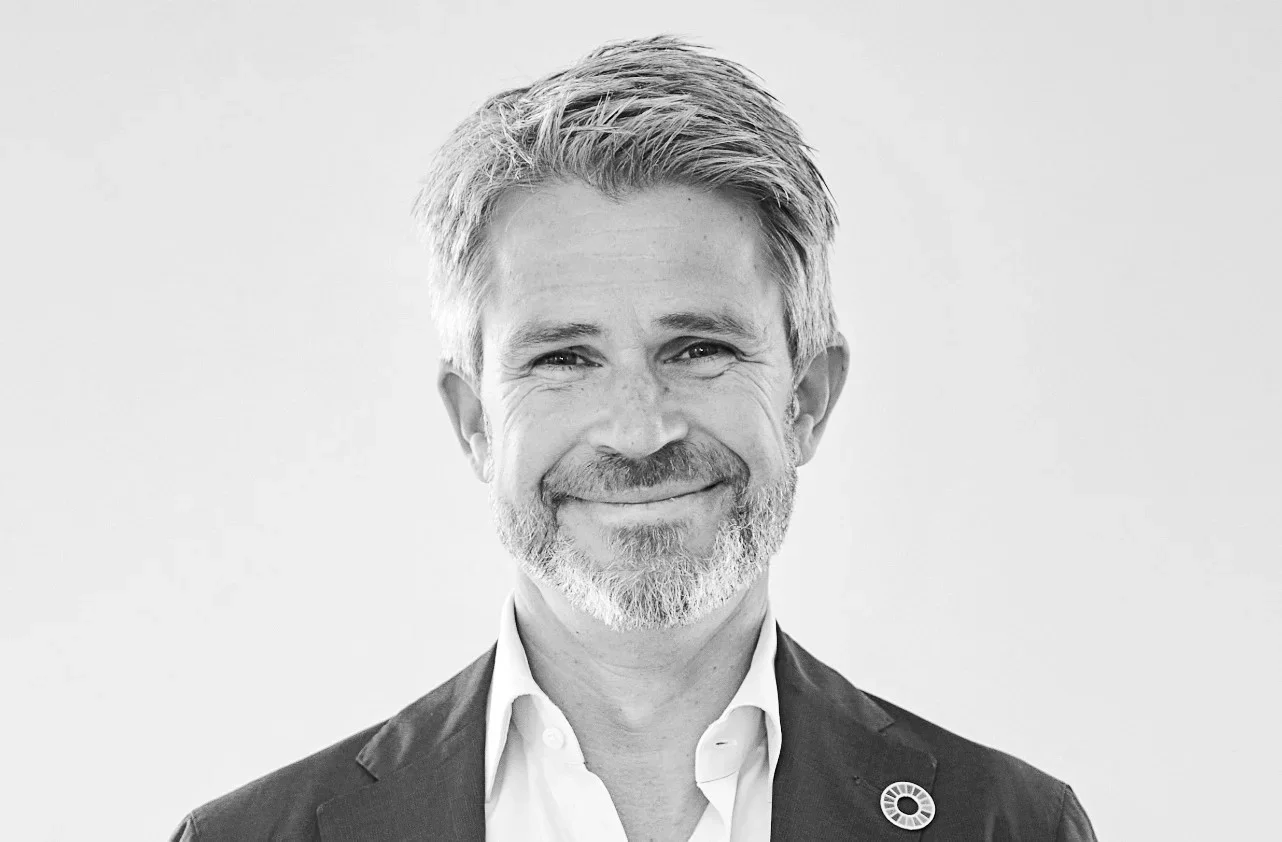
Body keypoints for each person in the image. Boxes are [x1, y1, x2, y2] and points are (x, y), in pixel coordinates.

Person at [170, 35, 1097, 841]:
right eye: (565, 359)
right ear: (474, 421)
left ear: (807, 398)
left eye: (698, 348)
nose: (640, 429)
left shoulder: (1006, 826)